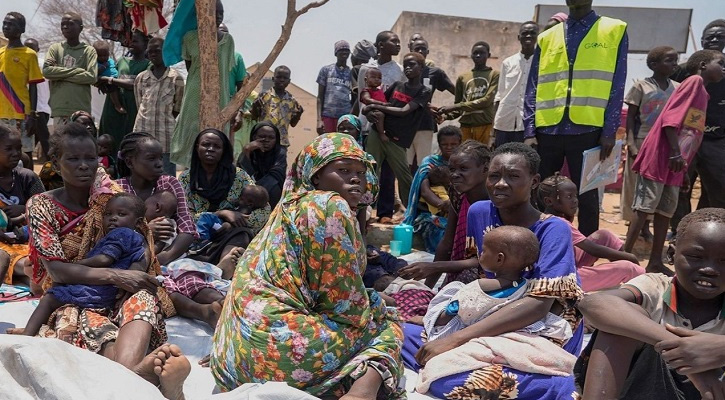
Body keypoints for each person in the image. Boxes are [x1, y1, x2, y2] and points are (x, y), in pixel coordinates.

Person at [210, 133, 405, 399]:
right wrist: (375, 305)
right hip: (279, 354)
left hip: (234, 357)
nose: (356, 178)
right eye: (344, 170)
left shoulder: (287, 207)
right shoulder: (329, 204)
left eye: (360, 171)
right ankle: (362, 391)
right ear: (315, 176)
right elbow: (342, 302)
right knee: (387, 324)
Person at [13, 122, 190, 400]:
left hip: (119, 289)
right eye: (73, 159)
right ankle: (139, 374)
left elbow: (143, 244)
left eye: (90, 158)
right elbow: (57, 272)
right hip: (70, 294)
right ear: (56, 166)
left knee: (143, 298)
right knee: (80, 321)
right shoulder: (42, 205)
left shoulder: (114, 197)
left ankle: (131, 373)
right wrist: (116, 277)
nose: (84, 165)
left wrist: (131, 277)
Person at [402, 142, 583, 399]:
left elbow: (540, 305)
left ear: (534, 181)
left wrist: (456, 339)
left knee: (460, 381)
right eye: (495, 176)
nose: (500, 184)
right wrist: (446, 319)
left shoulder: (554, 229)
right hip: (491, 314)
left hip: (541, 325)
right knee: (397, 335)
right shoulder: (479, 212)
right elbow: (484, 271)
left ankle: (556, 388)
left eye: (513, 176)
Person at [577, 208, 725, 400]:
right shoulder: (655, 286)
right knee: (621, 322)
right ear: (671, 254)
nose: (709, 269)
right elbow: (594, 303)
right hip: (647, 387)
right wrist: (684, 350)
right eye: (696, 257)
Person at [524, 0, 628, 238]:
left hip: (589, 127)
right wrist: (530, 130)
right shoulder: (547, 36)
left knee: (587, 197)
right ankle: (538, 244)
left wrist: (609, 130)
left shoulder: (614, 29)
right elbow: (533, 87)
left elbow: (617, 82)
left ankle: (585, 256)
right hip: (547, 129)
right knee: (540, 193)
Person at [624, 50, 725, 275]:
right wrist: (675, 154)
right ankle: (623, 257)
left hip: (676, 164)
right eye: (720, 63)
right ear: (702, 65)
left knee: (665, 211)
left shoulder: (703, 92)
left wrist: (685, 168)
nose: (724, 68)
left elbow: (689, 132)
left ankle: (655, 261)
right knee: (644, 208)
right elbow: (671, 122)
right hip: (662, 156)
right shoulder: (694, 82)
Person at [22, 193, 149, 336]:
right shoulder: (139, 240)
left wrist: (77, 263)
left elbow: (104, 259)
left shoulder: (121, 233)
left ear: (138, 223)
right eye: (108, 214)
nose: (113, 218)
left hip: (97, 290)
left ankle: (27, 336)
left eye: (121, 214)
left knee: (49, 299)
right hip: (111, 293)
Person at [539, 173, 644, 292]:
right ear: (549, 201)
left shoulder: (552, 216)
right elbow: (593, 249)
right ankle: (644, 283)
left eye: (575, 196)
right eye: (568, 197)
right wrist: (629, 257)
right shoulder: (559, 223)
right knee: (628, 268)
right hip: (561, 280)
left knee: (604, 236)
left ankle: (631, 280)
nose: (574, 201)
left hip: (566, 266)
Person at [179, 128, 270, 264]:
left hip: (228, 237)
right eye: (206, 145)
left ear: (224, 151)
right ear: (197, 147)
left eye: (217, 146)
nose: (211, 149)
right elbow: (183, 215)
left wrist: (231, 225)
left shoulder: (239, 177)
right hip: (196, 238)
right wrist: (221, 213)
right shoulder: (186, 178)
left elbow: (264, 209)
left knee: (242, 233)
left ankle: (225, 264)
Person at [671, 19, 725, 235]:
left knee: (717, 191)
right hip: (686, 142)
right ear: (702, 39)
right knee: (679, 188)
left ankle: (708, 232)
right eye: (709, 36)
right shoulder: (683, 70)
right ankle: (680, 231)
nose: (713, 39)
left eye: (719, 36)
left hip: (717, 142)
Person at [363, 52, 432, 214]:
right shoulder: (397, 86)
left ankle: (413, 213)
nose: (408, 68)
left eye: (412, 64)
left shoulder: (423, 92)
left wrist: (372, 106)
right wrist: (367, 111)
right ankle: (362, 212)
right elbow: (381, 101)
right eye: (405, 64)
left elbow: (403, 111)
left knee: (405, 178)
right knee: (369, 172)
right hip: (377, 133)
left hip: (397, 140)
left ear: (421, 68)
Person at [622, 46, 679, 240]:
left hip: (666, 145)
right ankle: (636, 226)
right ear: (654, 65)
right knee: (636, 185)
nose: (674, 64)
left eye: (675, 60)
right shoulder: (640, 86)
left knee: (657, 188)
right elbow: (630, 118)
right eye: (669, 61)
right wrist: (631, 144)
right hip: (642, 141)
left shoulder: (678, 88)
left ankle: (647, 226)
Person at [116, 132, 197, 266]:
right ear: (130, 162)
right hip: (126, 260)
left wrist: (161, 259)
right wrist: (145, 230)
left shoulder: (169, 183)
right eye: (151, 158)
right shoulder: (117, 189)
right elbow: (109, 231)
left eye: (160, 158)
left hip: (168, 259)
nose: (159, 164)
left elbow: (187, 229)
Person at [171, 0, 236, 168]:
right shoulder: (190, 37)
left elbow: (227, 70)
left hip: (220, 94)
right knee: (192, 130)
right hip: (194, 92)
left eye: (221, 12)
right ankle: (190, 169)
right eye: (214, 12)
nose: (218, 16)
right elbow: (190, 67)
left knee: (217, 134)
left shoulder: (228, 40)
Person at [358, 30, 403, 225]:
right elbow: (360, 96)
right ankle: (363, 211)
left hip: (390, 126)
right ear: (381, 45)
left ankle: (385, 212)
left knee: (387, 171)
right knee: (367, 170)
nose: (398, 45)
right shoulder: (364, 69)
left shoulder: (399, 70)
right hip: (368, 125)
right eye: (394, 41)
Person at [402, 125, 462, 254]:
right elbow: (425, 190)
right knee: (442, 231)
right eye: (445, 144)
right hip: (430, 213)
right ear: (439, 144)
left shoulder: (464, 164)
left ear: (460, 144)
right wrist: (442, 205)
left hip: (459, 210)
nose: (449, 147)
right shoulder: (430, 162)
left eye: (454, 144)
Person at [133, 37, 185, 176]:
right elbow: (139, 104)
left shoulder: (176, 78)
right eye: (150, 51)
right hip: (143, 134)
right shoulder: (141, 78)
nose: (153, 54)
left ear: (165, 51)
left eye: (157, 50)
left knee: (166, 178)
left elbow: (177, 107)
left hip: (166, 137)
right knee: (143, 174)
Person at [0, 125, 45, 285]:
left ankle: (33, 273)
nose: (16, 154)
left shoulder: (28, 177)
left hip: (27, 237)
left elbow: (45, 211)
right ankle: (28, 271)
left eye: (19, 148)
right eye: (9, 149)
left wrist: (25, 209)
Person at [0, 12, 44, 169]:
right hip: (1, 113)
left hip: (21, 113)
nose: (5, 27)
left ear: (21, 29)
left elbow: (33, 86)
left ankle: (30, 188)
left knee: (25, 154)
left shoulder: (29, 55)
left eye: (10, 24)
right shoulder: (1, 53)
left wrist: (32, 114)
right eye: (4, 23)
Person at [438, 41, 500, 146]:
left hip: (484, 124)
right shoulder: (463, 77)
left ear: (488, 55)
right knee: (464, 157)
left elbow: (486, 101)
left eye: (482, 53)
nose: (478, 56)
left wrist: (453, 107)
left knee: (482, 157)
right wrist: (445, 116)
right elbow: (458, 108)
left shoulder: (494, 75)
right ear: (471, 55)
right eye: (475, 53)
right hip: (465, 126)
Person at [43, 13, 97, 127]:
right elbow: (47, 72)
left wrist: (59, 72)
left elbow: (91, 77)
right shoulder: (55, 48)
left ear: (81, 28)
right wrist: (78, 71)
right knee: (61, 143)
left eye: (70, 24)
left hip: (81, 110)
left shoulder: (89, 51)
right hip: (60, 108)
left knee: (80, 143)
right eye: (63, 24)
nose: (65, 27)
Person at [409, 38, 455, 168]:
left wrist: (450, 111)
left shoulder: (435, 73)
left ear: (428, 51)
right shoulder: (404, 71)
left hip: (425, 123)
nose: (420, 51)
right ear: (411, 50)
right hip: (406, 123)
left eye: (423, 48)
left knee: (423, 164)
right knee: (405, 166)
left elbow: (456, 92)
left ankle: (422, 188)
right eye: (416, 48)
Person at [493, 22, 539, 147]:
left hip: (527, 126)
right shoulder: (508, 62)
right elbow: (500, 95)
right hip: (504, 122)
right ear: (519, 37)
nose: (528, 36)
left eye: (532, 33)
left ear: (537, 37)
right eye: (524, 33)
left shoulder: (542, 62)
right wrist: (493, 131)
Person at [194, 184, 268, 245]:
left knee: (206, 218)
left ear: (250, 204)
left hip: (222, 226)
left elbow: (236, 220)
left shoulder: (245, 210)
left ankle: (201, 241)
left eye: (241, 199)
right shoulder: (250, 211)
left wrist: (226, 216)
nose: (239, 200)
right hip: (222, 229)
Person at [236, 122, 287, 208]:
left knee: (275, 188)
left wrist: (256, 190)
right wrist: (247, 151)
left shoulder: (280, 152)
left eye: (271, 137)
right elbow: (241, 175)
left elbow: (276, 175)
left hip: (268, 192)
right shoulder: (249, 150)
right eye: (261, 137)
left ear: (276, 139)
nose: (266, 140)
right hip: (248, 190)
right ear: (254, 137)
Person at [250, 65, 303, 148]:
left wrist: (299, 115)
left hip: (282, 142)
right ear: (273, 79)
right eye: (278, 77)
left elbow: (293, 124)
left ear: (289, 81)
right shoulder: (264, 96)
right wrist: (255, 107)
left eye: (285, 78)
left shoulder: (292, 100)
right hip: (264, 140)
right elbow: (254, 117)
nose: (281, 80)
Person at [23, 38, 51, 163]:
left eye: (31, 48)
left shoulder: (39, 63)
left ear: (38, 50)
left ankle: (56, 167)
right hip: (40, 108)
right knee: (32, 142)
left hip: (38, 109)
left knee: (45, 142)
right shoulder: (42, 64)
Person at [316, 40, 352, 134]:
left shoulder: (351, 73)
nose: (344, 52)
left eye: (346, 50)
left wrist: (351, 116)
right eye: (341, 50)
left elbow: (355, 95)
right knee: (328, 143)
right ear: (336, 53)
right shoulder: (326, 70)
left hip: (344, 116)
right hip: (327, 115)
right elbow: (320, 96)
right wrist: (319, 120)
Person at [93, 40, 124, 115]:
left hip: (117, 79)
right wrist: (103, 67)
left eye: (105, 55)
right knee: (112, 90)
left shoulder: (111, 60)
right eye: (100, 56)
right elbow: (95, 73)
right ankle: (117, 105)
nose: (103, 58)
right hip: (106, 81)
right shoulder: (95, 63)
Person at [360, 67, 389, 140]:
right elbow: (367, 100)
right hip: (373, 110)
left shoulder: (379, 90)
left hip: (382, 108)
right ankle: (381, 133)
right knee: (380, 115)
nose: (376, 79)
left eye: (379, 78)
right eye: (373, 77)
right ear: (366, 79)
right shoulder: (366, 90)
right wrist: (381, 103)